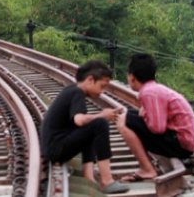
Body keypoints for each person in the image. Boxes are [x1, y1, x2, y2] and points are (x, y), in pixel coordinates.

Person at [40, 60, 129, 194]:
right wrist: (102, 115)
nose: (102, 92)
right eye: (101, 86)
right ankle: (107, 181)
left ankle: (89, 177)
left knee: (91, 126)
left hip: (53, 148)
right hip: (56, 148)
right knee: (100, 123)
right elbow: (79, 120)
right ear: (90, 80)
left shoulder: (71, 91)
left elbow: (82, 127)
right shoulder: (77, 93)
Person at [116, 53, 194, 182]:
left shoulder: (148, 92)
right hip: (183, 142)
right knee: (130, 114)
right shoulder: (154, 88)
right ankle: (148, 167)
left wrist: (142, 116)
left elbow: (157, 128)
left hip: (180, 145)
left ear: (132, 77)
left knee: (125, 121)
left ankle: (147, 169)